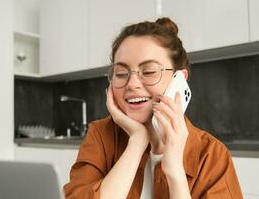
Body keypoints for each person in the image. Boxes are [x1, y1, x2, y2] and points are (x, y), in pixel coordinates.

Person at [63, 17, 243, 199]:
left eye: (149, 72)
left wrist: (175, 175)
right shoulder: (100, 135)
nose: (132, 84)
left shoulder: (212, 155)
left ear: (179, 79)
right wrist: (137, 142)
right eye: (121, 73)